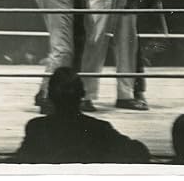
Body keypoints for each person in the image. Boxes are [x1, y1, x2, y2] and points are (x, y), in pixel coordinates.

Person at [15, 67, 150, 163]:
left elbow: (19, 162)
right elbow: (140, 151)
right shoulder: (99, 128)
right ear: (83, 94)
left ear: (50, 96)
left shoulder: (37, 128)